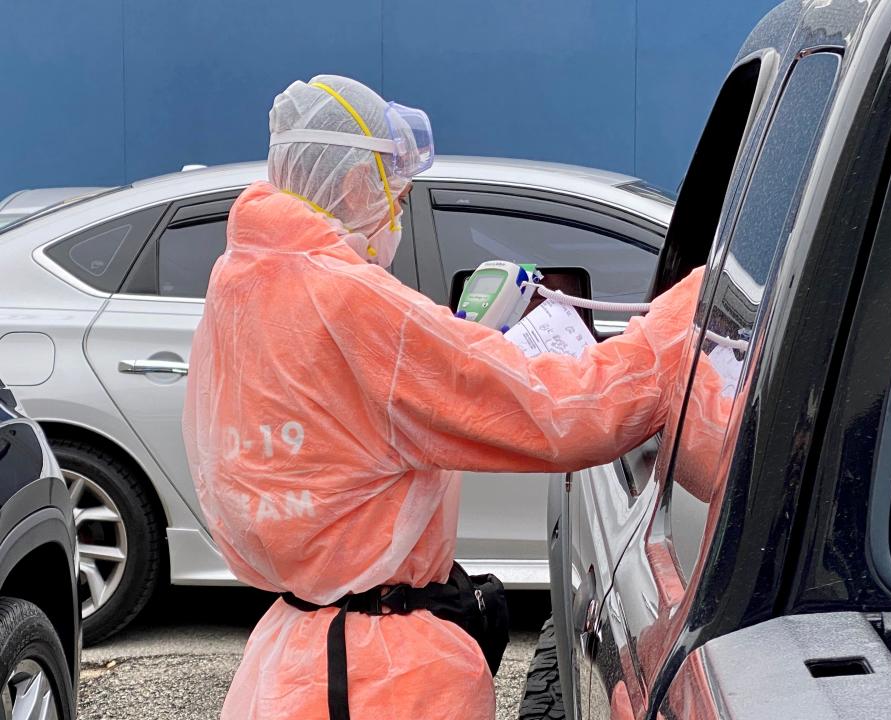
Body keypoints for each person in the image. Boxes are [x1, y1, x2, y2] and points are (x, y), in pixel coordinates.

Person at [183, 74, 707, 720]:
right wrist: (678, 321)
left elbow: (343, 421)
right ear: (355, 185)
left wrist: (455, 353)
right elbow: (563, 414)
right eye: (395, 192)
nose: (396, 210)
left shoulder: (240, 281)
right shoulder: (353, 302)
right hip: (380, 678)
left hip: (290, 661)